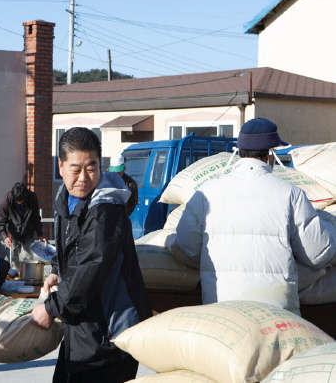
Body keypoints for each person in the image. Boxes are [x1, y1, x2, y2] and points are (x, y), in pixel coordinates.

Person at [167, 117, 336, 316]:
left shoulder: (207, 191)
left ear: (240, 153)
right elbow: (317, 253)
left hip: (220, 309)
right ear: (271, 153)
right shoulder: (290, 193)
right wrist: (328, 223)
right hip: (275, 311)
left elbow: (187, 247)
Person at [31, 127, 153, 383]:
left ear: (101, 164)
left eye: (92, 167)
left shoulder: (105, 210)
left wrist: (51, 308)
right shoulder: (67, 200)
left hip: (110, 333)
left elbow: (90, 267)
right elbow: (72, 249)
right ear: (61, 166)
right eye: (76, 169)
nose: (84, 177)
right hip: (85, 326)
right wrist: (57, 270)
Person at [0, 182, 47, 273]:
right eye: (16, 200)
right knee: (12, 258)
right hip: (12, 232)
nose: (18, 202)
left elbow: (36, 218)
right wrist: (4, 237)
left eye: (20, 200)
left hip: (28, 231)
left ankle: (25, 278)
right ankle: (13, 278)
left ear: (25, 196)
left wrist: (40, 234)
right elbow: (0, 222)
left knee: (26, 258)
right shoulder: (7, 200)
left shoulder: (32, 198)